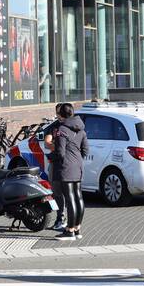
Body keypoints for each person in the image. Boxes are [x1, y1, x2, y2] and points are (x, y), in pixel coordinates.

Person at [52, 103, 89, 240]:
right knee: (78, 197)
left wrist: (56, 158)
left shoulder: (62, 129)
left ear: (61, 115)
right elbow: (86, 150)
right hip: (78, 166)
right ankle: (77, 228)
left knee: (70, 198)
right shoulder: (82, 129)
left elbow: (60, 152)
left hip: (66, 167)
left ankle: (69, 230)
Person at [42, 104, 68, 231]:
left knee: (70, 194)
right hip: (56, 164)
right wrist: (59, 147)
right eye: (58, 113)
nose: (60, 116)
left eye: (61, 113)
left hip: (69, 164)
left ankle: (70, 222)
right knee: (57, 192)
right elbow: (47, 143)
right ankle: (60, 217)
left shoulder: (71, 126)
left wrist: (58, 146)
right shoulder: (54, 127)